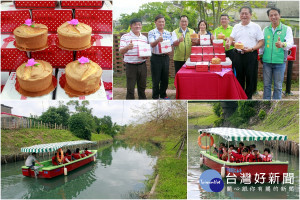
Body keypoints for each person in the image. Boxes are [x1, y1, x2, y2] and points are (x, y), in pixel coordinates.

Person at [226, 6, 264, 99]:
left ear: (250, 15)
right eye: (242, 13)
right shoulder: (236, 26)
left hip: (251, 55)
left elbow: (261, 42)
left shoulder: (256, 27)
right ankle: (241, 97)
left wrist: (251, 49)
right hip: (238, 56)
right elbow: (231, 38)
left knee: (251, 78)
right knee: (239, 77)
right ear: (240, 16)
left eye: (246, 13)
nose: (244, 15)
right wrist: (228, 43)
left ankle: (248, 97)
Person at [260, 8, 294, 99]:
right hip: (267, 62)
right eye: (271, 15)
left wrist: (282, 44)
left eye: (275, 14)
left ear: (280, 16)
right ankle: (266, 105)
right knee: (266, 86)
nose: (273, 17)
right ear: (268, 17)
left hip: (280, 62)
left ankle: (275, 107)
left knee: (278, 87)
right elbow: (262, 45)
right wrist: (260, 56)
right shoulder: (265, 29)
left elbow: (290, 43)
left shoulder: (287, 29)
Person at [119, 18, 148, 99]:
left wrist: (146, 55)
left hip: (142, 65)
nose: (137, 26)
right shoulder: (125, 37)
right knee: (130, 88)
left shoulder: (144, 38)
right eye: (135, 24)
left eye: (139, 24)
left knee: (142, 87)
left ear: (141, 26)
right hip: (131, 66)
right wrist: (128, 47)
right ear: (131, 26)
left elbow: (146, 51)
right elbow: (121, 51)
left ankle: (142, 102)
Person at [148, 14, 172, 99]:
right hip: (156, 58)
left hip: (165, 58)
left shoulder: (168, 33)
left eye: (163, 21)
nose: (161, 23)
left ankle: (163, 95)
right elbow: (152, 44)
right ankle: (155, 96)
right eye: (159, 22)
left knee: (165, 78)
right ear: (155, 22)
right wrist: (158, 40)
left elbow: (170, 45)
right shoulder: (151, 32)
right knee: (156, 79)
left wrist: (169, 51)